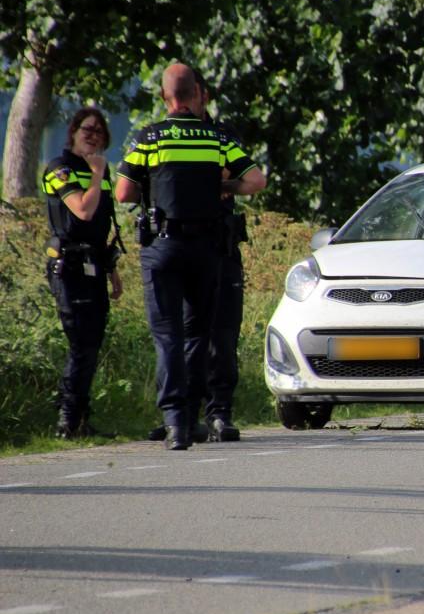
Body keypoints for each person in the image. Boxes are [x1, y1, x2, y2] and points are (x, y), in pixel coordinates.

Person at [115, 63, 266, 450]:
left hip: (163, 247)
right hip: (207, 249)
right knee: (199, 335)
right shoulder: (216, 138)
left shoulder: (151, 138)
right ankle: (198, 414)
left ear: (165, 97)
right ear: (197, 94)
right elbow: (255, 181)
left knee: (168, 336)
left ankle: (175, 422)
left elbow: (123, 193)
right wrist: (219, 185)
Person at [146, 71, 248, 443]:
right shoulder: (161, 136)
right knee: (185, 333)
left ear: (202, 95)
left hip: (218, 244)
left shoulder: (222, 135)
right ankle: (184, 415)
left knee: (219, 334)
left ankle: (219, 410)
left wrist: (203, 183)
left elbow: (239, 176)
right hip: (180, 242)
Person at [41, 108, 123, 438]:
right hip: (68, 266)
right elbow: (84, 212)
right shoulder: (58, 169)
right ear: (73, 132)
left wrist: (113, 271)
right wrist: (98, 172)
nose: (92, 135)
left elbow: (102, 227)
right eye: (86, 129)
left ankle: (79, 417)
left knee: (92, 342)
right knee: (80, 341)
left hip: (94, 265)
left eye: (99, 132)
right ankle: (66, 418)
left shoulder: (95, 173)